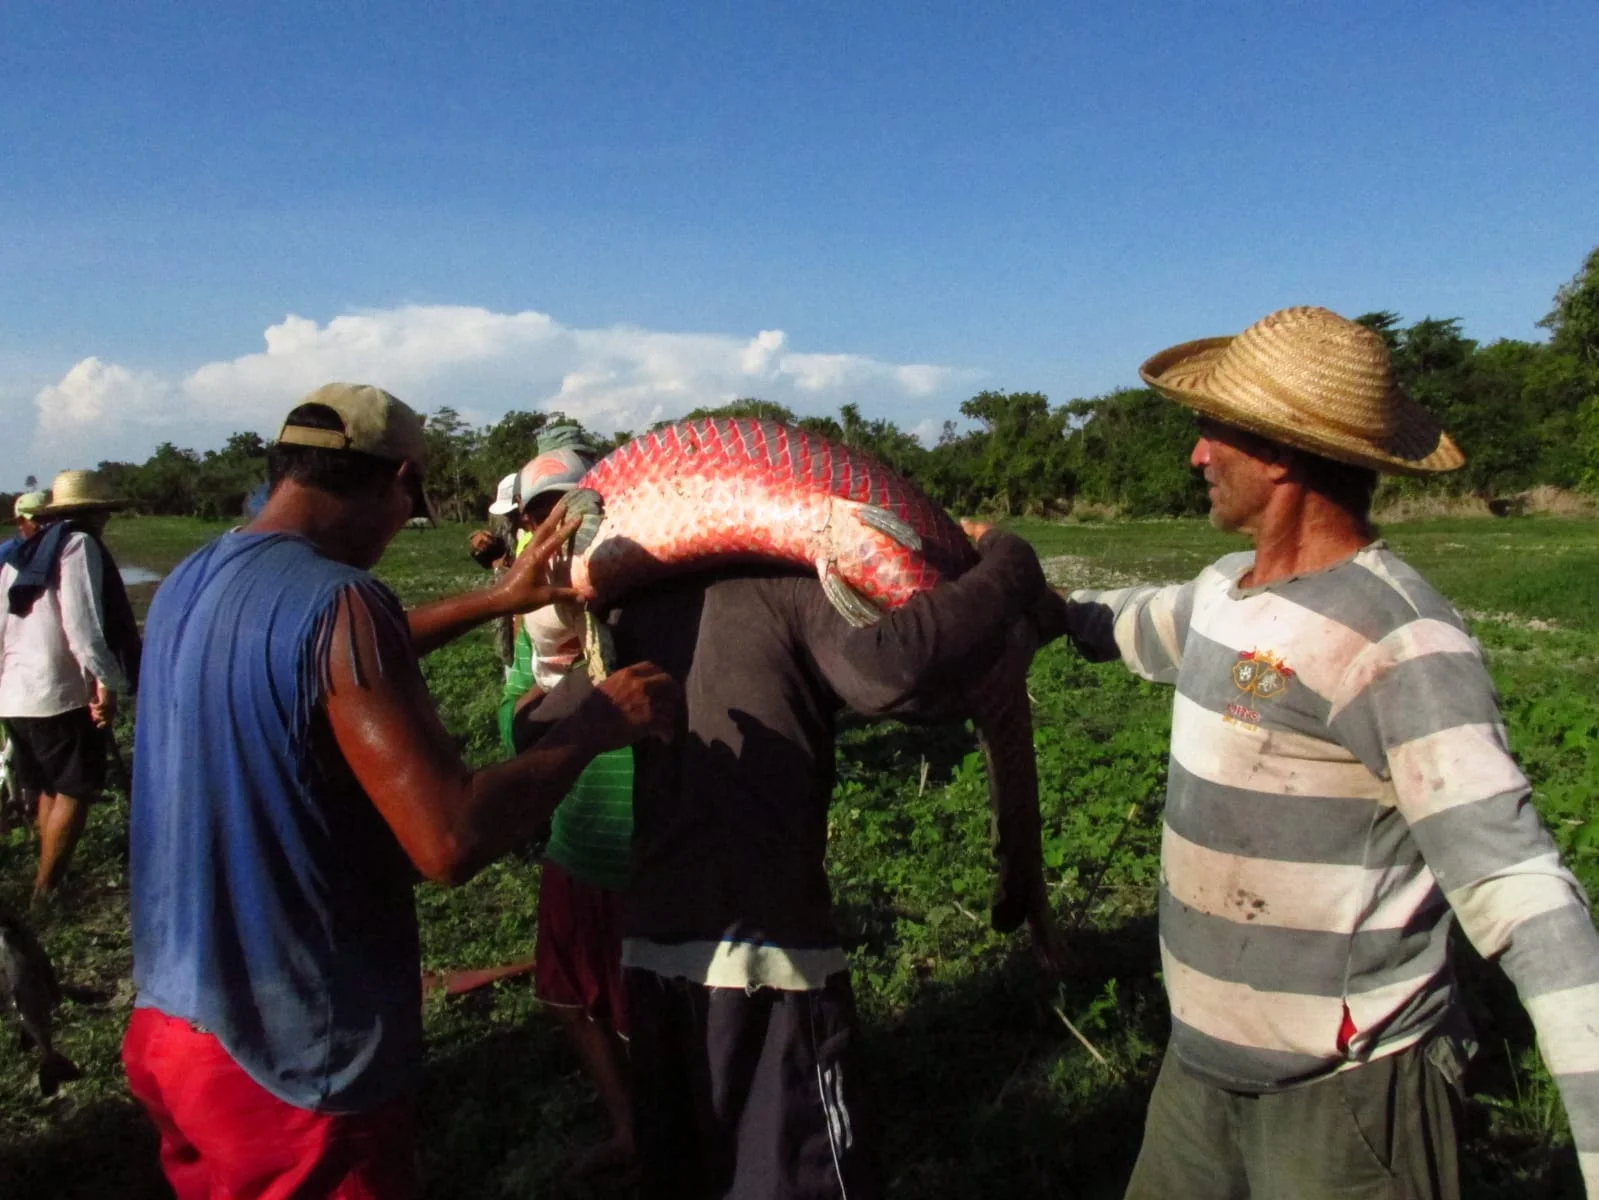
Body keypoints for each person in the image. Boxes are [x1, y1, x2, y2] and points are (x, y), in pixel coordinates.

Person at [1057, 307, 1599, 1199]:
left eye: (1212, 431)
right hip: (1199, 1073)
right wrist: (987, 578)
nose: (1196, 455)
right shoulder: (1225, 593)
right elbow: (1111, 624)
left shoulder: (1398, 644)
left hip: (1349, 1102)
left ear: (1275, 453)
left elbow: (1517, 889)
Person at [121, 383, 679, 1200]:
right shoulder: (342, 602)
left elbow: (326, 664)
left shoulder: (195, 578)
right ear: (403, 479)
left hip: (173, 1026)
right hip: (294, 1054)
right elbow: (447, 841)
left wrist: (493, 599)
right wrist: (593, 725)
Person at [519, 519, 1064, 1198]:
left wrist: (559, 660)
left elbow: (532, 728)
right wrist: (1009, 562)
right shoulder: (790, 587)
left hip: (653, 957)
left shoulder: (639, 607)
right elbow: (893, 672)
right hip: (769, 965)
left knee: (686, 1175)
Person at [500, 436, 637, 1178]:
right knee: (567, 999)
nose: (560, 537)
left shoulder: (647, 600)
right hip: (573, 847)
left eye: (577, 518)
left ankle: (672, 1132)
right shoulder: (534, 623)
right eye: (544, 522)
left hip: (645, 851)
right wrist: (555, 677)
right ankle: (629, 1126)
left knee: (647, 1009)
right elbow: (510, 725)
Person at [0, 473, 140, 905]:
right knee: (77, 789)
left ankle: (45, 876)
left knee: (47, 787)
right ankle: (47, 892)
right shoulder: (78, 547)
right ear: (96, 514)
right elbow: (84, 627)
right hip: (56, 691)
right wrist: (108, 686)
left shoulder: (20, 553)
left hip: (17, 692)